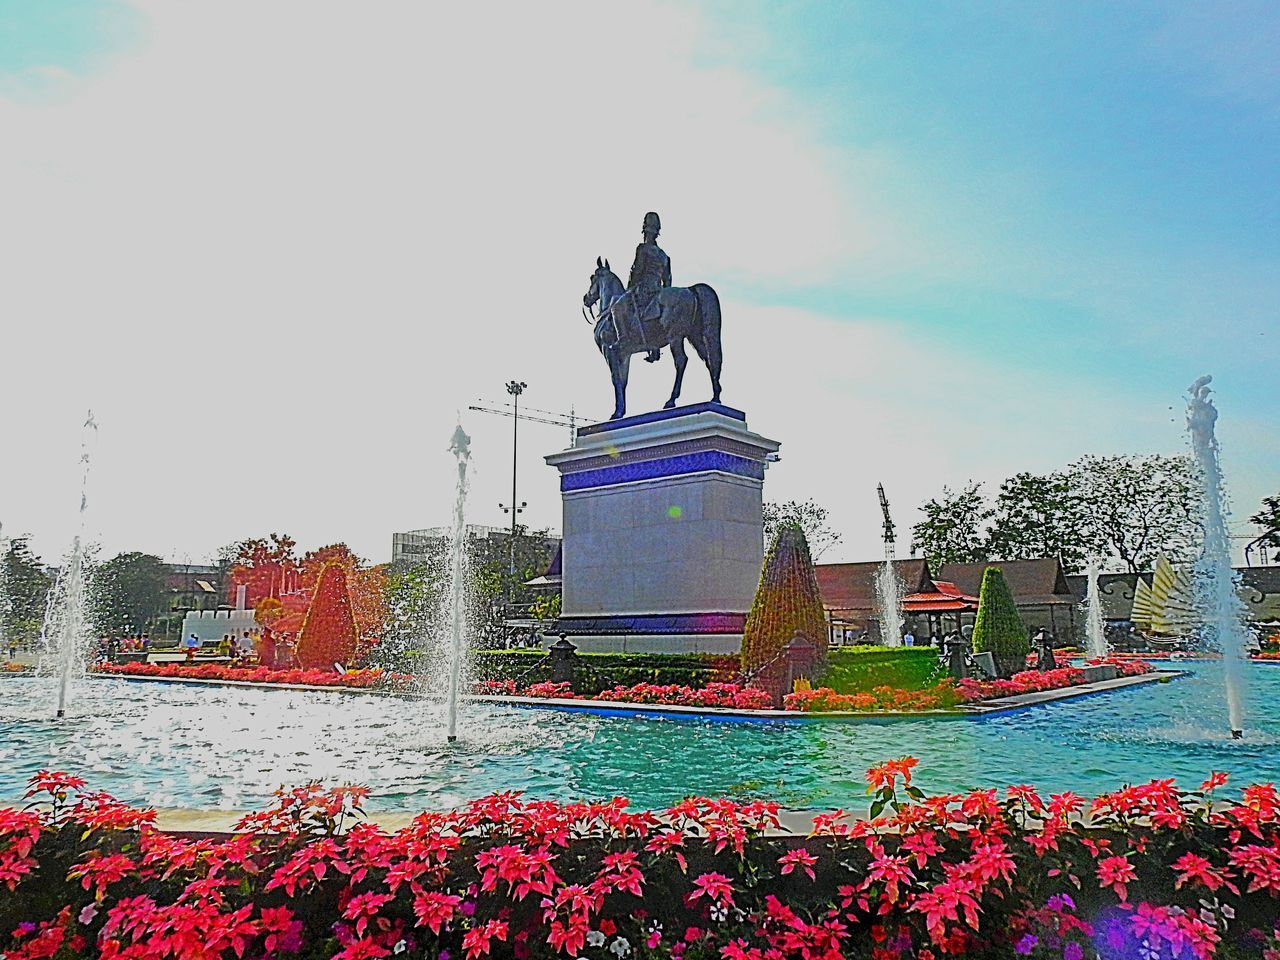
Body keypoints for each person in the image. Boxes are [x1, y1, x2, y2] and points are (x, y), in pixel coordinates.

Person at [626, 211, 672, 362]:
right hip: (659, 292)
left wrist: (628, 289)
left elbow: (636, 271)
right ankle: (655, 348)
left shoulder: (642, 249)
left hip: (643, 289)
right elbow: (668, 280)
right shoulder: (664, 256)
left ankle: (622, 339)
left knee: (619, 307)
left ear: (645, 230)